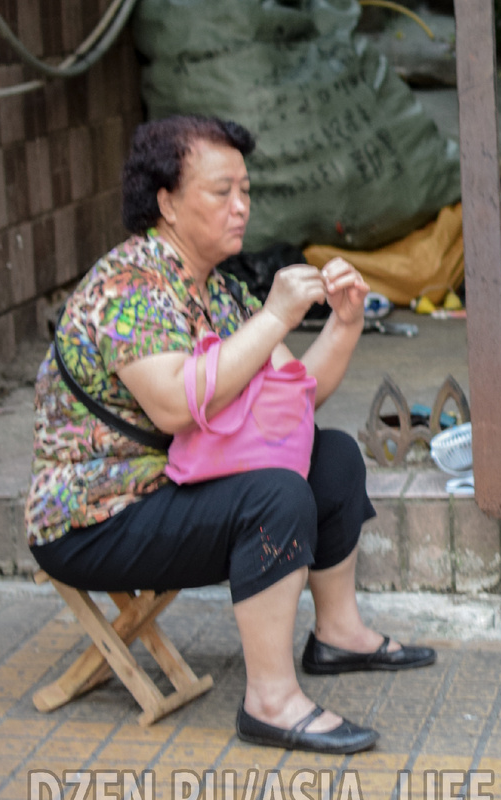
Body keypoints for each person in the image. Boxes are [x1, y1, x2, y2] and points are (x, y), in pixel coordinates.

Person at [25, 115, 435, 755]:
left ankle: (338, 633)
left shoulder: (217, 289)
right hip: (95, 518)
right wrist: (274, 315)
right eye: (222, 192)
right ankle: (270, 700)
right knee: (274, 495)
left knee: (331, 457)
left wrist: (345, 325)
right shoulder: (128, 287)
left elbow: (294, 397)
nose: (241, 207)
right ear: (166, 201)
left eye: (246, 190)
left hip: (172, 486)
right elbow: (173, 406)